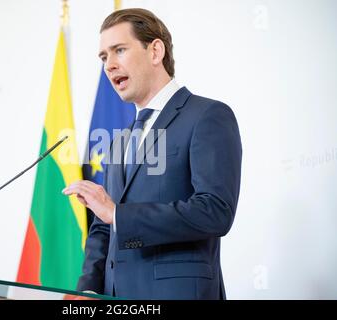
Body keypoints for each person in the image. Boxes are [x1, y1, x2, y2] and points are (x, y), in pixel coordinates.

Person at [63, 8, 242, 299]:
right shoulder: (119, 140)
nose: (109, 65)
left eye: (119, 50)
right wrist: (88, 289)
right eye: (103, 57)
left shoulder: (208, 116)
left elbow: (215, 211)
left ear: (155, 51)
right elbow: (103, 227)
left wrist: (119, 215)